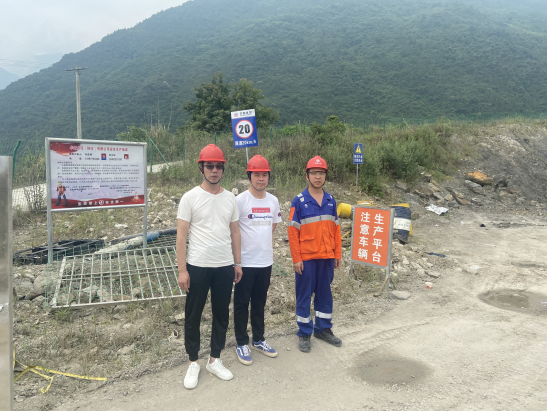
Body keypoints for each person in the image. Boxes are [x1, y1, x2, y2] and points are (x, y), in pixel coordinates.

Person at [176, 144, 243, 390]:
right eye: (210, 166)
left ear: (223, 169)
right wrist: (182, 270)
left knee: (221, 313)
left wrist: (237, 262)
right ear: (201, 168)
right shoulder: (190, 197)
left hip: (224, 265)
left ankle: (215, 359)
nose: (214, 171)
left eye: (218, 166)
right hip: (198, 266)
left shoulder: (230, 198)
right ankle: (193, 361)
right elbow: (181, 236)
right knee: (193, 315)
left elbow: (235, 232)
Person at [287, 156, 342, 353]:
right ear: (307, 176)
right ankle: (304, 333)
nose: (318, 177)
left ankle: (323, 329)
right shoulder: (299, 201)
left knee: (325, 294)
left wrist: (337, 254)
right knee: (304, 295)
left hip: (326, 257)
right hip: (307, 259)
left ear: (325, 176)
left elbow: (336, 229)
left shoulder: (330, 200)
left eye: (321, 173)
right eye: (314, 173)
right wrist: (296, 258)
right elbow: (292, 231)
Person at [234, 155, 281, 365]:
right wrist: (236, 262)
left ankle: (259, 339)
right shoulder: (240, 201)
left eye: (264, 175)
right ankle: (241, 342)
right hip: (245, 263)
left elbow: (273, 226)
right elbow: (233, 230)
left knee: (260, 302)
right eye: (256, 175)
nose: (261, 179)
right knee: (241, 303)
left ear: (268, 177)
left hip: (265, 261)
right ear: (249, 177)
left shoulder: (273, 201)